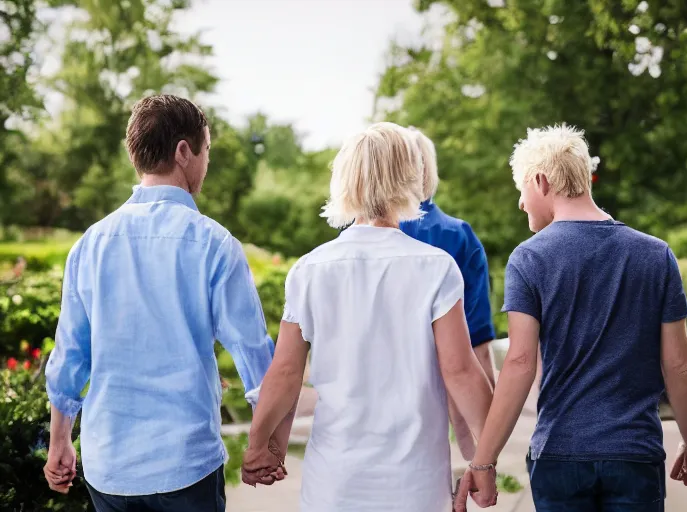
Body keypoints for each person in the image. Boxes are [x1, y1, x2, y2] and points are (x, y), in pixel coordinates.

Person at [240, 122, 496, 512]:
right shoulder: (437, 268)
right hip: (416, 484)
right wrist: (485, 459)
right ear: (410, 178)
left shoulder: (310, 269)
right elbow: (460, 371)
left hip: (335, 482)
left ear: (343, 180)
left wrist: (260, 445)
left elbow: (285, 373)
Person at [455, 124, 687, 512]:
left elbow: (520, 364)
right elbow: (679, 364)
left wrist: (484, 461)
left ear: (540, 182)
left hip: (560, 455)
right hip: (635, 453)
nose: (521, 203)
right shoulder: (656, 255)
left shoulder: (529, 258)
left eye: (521, 190)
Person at [43, 94, 275, 512]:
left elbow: (71, 355)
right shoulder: (215, 244)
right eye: (206, 151)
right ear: (183, 152)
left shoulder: (90, 245)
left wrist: (60, 441)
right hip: (185, 465)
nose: (206, 164)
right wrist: (263, 445)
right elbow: (254, 355)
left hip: (109, 466)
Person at [400, 127, 496, 460]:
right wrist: (482, 453)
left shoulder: (350, 241)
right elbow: (477, 342)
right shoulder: (458, 236)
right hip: (440, 402)